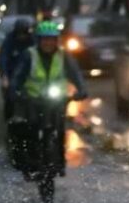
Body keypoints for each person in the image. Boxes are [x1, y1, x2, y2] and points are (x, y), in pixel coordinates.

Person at [9, 20, 88, 171]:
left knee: (59, 129)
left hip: (56, 100)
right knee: (30, 127)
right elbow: (18, 77)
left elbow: (75, 74)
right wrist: (16, 92)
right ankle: (30, 160)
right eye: (45, 39)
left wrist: (81, 90)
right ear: (39, 40)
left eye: (52, 39)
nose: (48, 43)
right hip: (33, 100)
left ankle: (59, 161)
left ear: (57, 40)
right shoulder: (29, 55)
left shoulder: (64, 55)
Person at [0, 18, 34, 121]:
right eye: (19, 33)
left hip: (29, 74)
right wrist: (5, 76)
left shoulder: (32, 41)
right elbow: (4, 58)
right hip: (11, 73)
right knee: (9, 97)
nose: (22, 36)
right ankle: (9, 118)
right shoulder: (9, 41)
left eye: (24, 33)